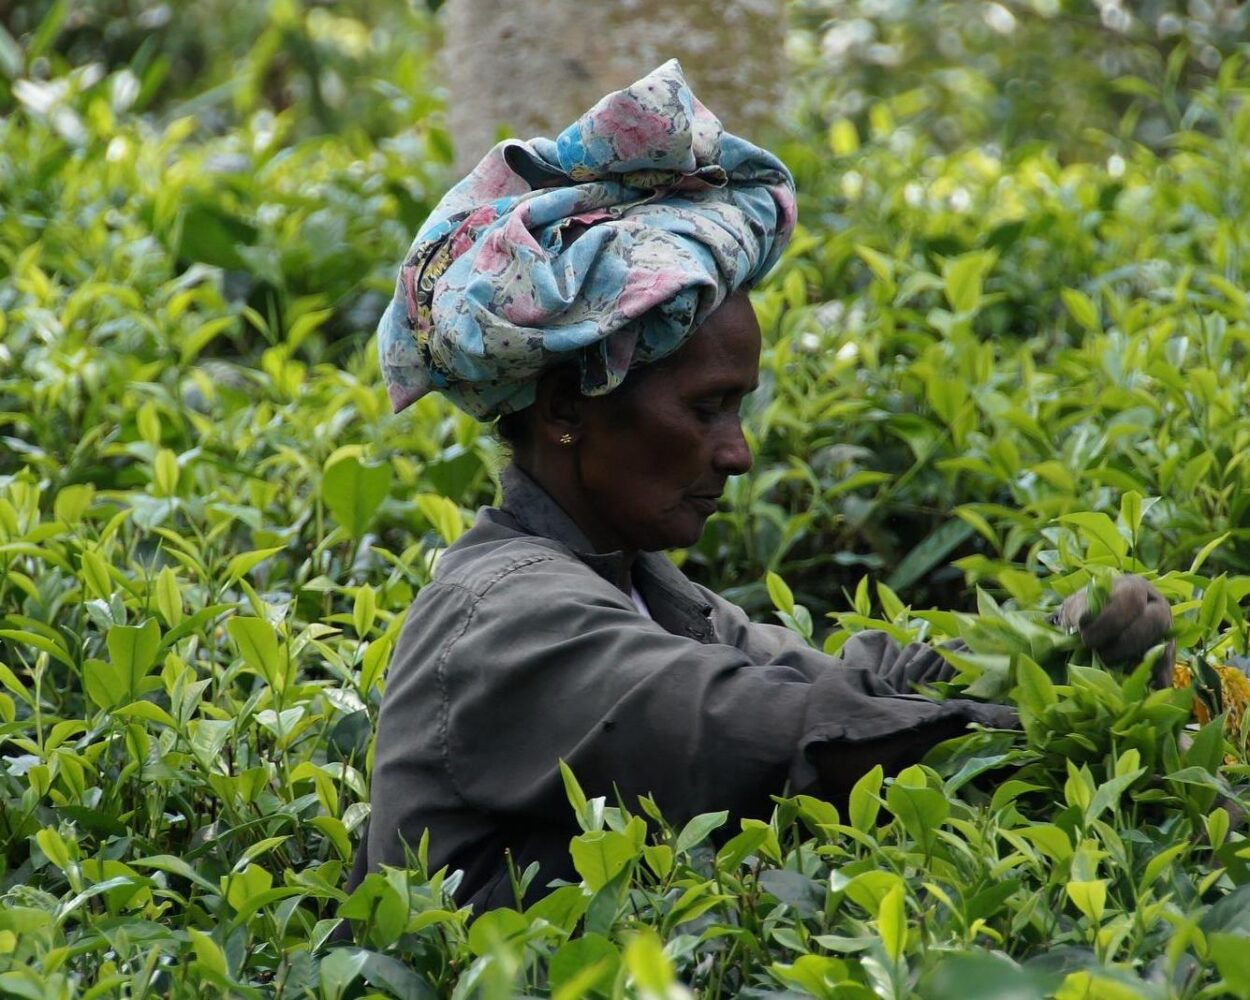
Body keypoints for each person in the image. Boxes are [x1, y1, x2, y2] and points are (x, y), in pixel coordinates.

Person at [356, 61, 1172, 910]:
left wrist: (1055, 645)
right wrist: (1042, 725)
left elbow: (849, 677)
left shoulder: (641, 591)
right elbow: (769, 729)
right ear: (567, 407)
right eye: (707, 409)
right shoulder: (507, 618)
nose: (736, 453)